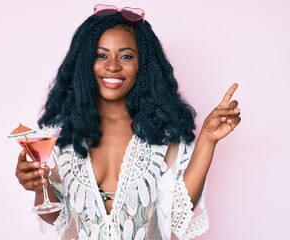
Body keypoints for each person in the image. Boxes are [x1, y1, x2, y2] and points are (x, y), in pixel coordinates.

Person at [15, 4, 241, 240]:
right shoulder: (62, 141)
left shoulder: (163, 139)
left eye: (126, 56)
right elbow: (56, 217)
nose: (112, 66)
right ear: (84, 64)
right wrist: (36, 187)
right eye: (101, 55)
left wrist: (208, 138)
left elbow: (176, 215)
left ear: (143, 66)